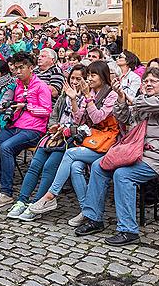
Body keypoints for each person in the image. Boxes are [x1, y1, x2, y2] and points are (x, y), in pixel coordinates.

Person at [75, 67, 159, 246]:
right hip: (136, 152)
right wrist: (120, 97)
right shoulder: (142, 101)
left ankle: (128, 230)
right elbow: (123, 117)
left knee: (123, 175)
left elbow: (156, 105)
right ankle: (94, 218)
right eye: (146, 81)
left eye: (153, 81)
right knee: (98, 167)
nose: (148, 84)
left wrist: (133, 99)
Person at [28, 61, 118, 223]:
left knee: (69, 154)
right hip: (91, 139)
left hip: (107, 141)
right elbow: (79, 118)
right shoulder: (89, 92)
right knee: (75, 167)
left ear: (103, 76)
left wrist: (88, 98)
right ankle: (86, 210)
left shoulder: (110, 94)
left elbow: (98, 117)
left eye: (93, 75)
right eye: (88, 75)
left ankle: (51, 194)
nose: (89, 78)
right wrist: (75, 99)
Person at [6, 64, 86, 221]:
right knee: (34, 165)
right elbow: (54, 115)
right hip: (54, 136)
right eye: (72, 78)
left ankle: (37, 204)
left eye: (79, 78)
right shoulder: (63, 97)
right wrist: (53, 127)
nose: (75, 82)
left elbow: (83, 122)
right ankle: (22, 200)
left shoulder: (87, 99)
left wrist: (68, 129)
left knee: (49, 167)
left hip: (69, 139)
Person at [0, 51, 53, 207]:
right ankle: (0, 180)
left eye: (22, 68)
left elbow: (47, 111)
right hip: (15, 126)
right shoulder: (18, 86)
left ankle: (6, 192)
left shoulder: (41, 86)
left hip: (34, 129)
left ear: (31, 68)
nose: (18, 72)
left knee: (6, 147)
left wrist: (27, 106)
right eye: (16, 68)